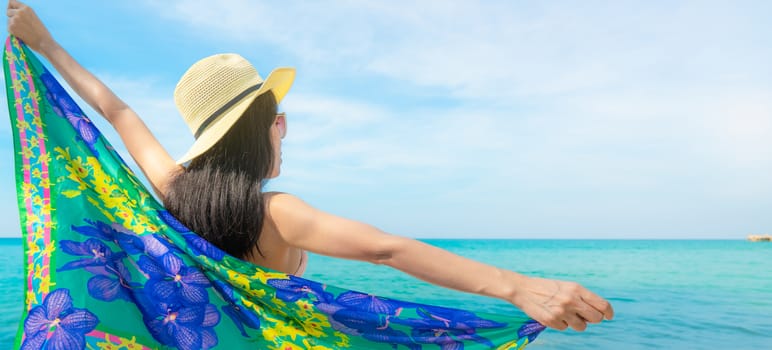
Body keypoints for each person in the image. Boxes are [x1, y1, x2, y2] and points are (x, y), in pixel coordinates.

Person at [7, 0, 613, 332]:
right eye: (279, 116)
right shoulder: (277, 211)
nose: (286, 128)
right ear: (270, 126)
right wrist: (517, 287)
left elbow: (116, 111)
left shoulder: (171, 188)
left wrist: (43, 43)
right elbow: (388, 250)